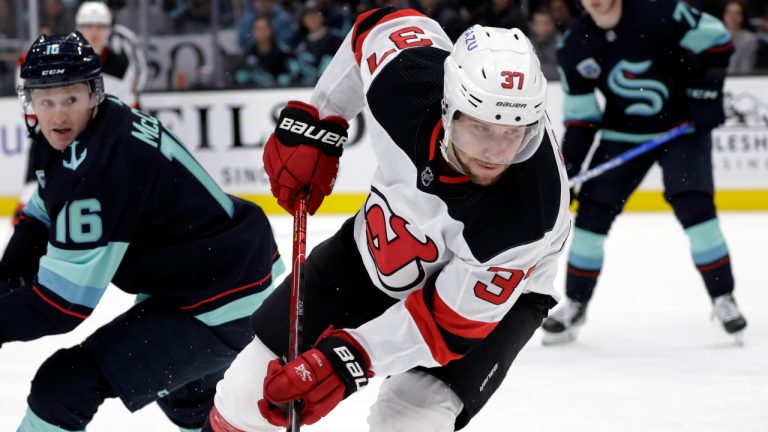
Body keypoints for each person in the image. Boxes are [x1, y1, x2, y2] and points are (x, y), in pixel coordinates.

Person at [205, 7, 571, 432]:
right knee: (246, 395)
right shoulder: (409, 79)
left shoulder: (528, 214)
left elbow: (447, 323)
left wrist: (350, 358)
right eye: (482, 129)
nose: (496, 152)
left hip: (492, 300)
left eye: (514, 133)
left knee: (410, 421)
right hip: (378, 250)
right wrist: (321, 117)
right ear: (447, 109)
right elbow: (376, 27)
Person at [0, 32, 283, 431]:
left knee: (64, 385)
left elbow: (61, 305)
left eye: (71, 99)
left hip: (216, 301)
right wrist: (7, 276)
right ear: (29, 104)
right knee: (188, 398)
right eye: (46, 101)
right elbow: (40, 214)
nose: (58, 115)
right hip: (222, 275)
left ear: (94, 94)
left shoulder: (99, 165)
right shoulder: (93, 126)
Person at [542, 0, 748, 345]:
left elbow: (718, 39)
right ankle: (576, 303)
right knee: (591, 216)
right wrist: (569, 170)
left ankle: (723, 297)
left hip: (682, 129)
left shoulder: (662, 11)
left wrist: (705, 95)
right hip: (623, 136)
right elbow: (581, 118)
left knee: (696, 210)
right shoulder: (575, 45)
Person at [722, 0, 759, 75]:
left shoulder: (749, 40)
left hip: (737, 81)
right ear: (724, 15)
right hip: (715, 81)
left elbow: (745, 71)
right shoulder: (716, 38)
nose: (732, 17)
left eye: (736, 13)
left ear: (743, 16)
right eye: (729, 13)